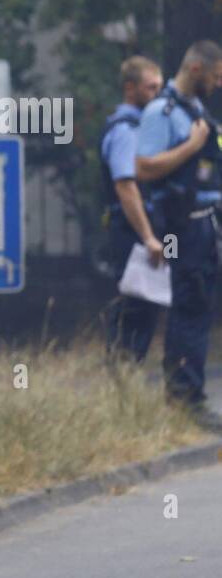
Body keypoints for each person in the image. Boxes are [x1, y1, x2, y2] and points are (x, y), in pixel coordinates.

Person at [135, 40, 222, 417]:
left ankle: (190, 395)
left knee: (199, 305)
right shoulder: (162, 112)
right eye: (216, 76)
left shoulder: (194, 109)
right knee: (188, 303)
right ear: (197, 69)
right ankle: (184, 400)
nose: (218, 84)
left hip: (205, 223)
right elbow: (144, 168)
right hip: (179, 227)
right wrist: (191, 146)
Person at [101, 56, 183, 361]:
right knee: (133, 313)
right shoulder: (125, 130)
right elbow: (126, 186)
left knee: (146, 312)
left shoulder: (144, 126)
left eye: (161, 87)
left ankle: (126, 386)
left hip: (144, 229)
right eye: (151, 88)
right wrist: (148, 236)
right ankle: (120, 387)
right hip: (132, 232)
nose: (158, 94)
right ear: (130, 88)